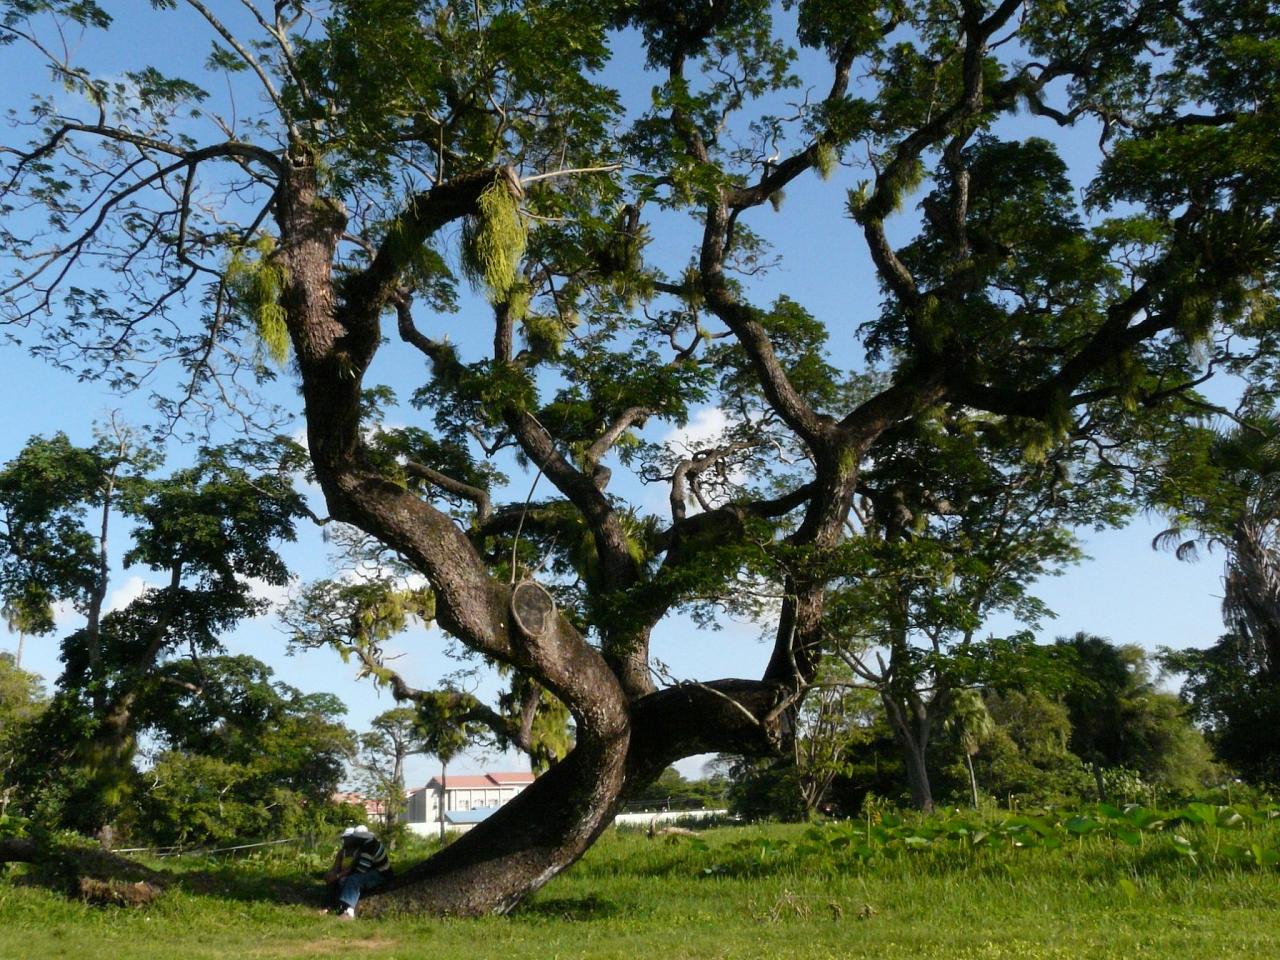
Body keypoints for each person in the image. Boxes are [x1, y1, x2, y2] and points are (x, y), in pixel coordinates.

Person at [324, 825, 391, 918]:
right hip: (381, 871)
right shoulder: (372, 843)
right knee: (348, 879)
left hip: (381, 874)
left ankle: (349, 911)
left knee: (354, 880)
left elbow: (361, 870)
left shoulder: (368, 848)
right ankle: (337, 905)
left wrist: (340, 876)